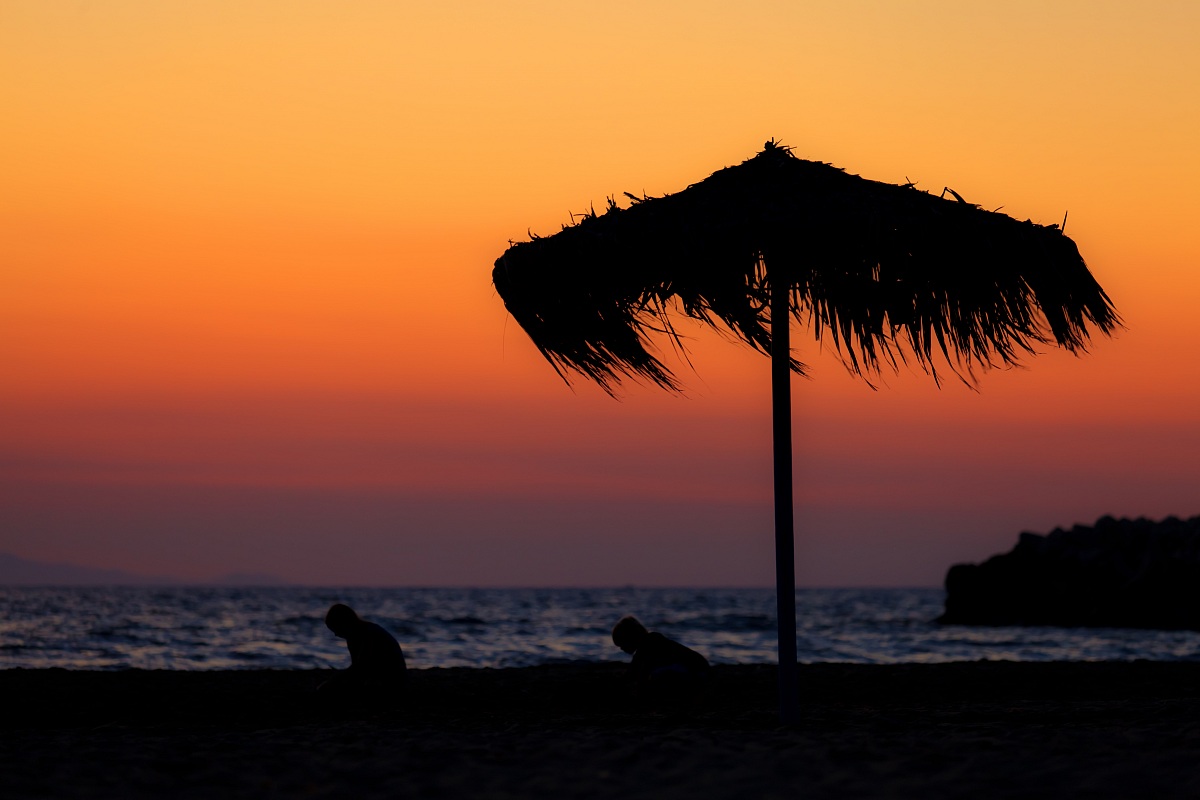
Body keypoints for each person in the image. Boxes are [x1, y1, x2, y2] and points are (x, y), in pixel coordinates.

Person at [611, 615, 710, 709]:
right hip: (701, 671)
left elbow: (637, 674)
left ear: (631, 637)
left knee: (658, 677)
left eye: (621, 644)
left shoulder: (648, 646)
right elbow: (634, 672)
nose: (622, 648)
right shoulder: (651, 641)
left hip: (698, 673)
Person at [318, 603, 407, 698]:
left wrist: (337, 678)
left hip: (392, 680)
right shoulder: (354, 637)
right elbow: (357, 667)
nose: (336, 634)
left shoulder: (368, 633)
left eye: (336, 629)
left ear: (343, 623)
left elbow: (360, 667)